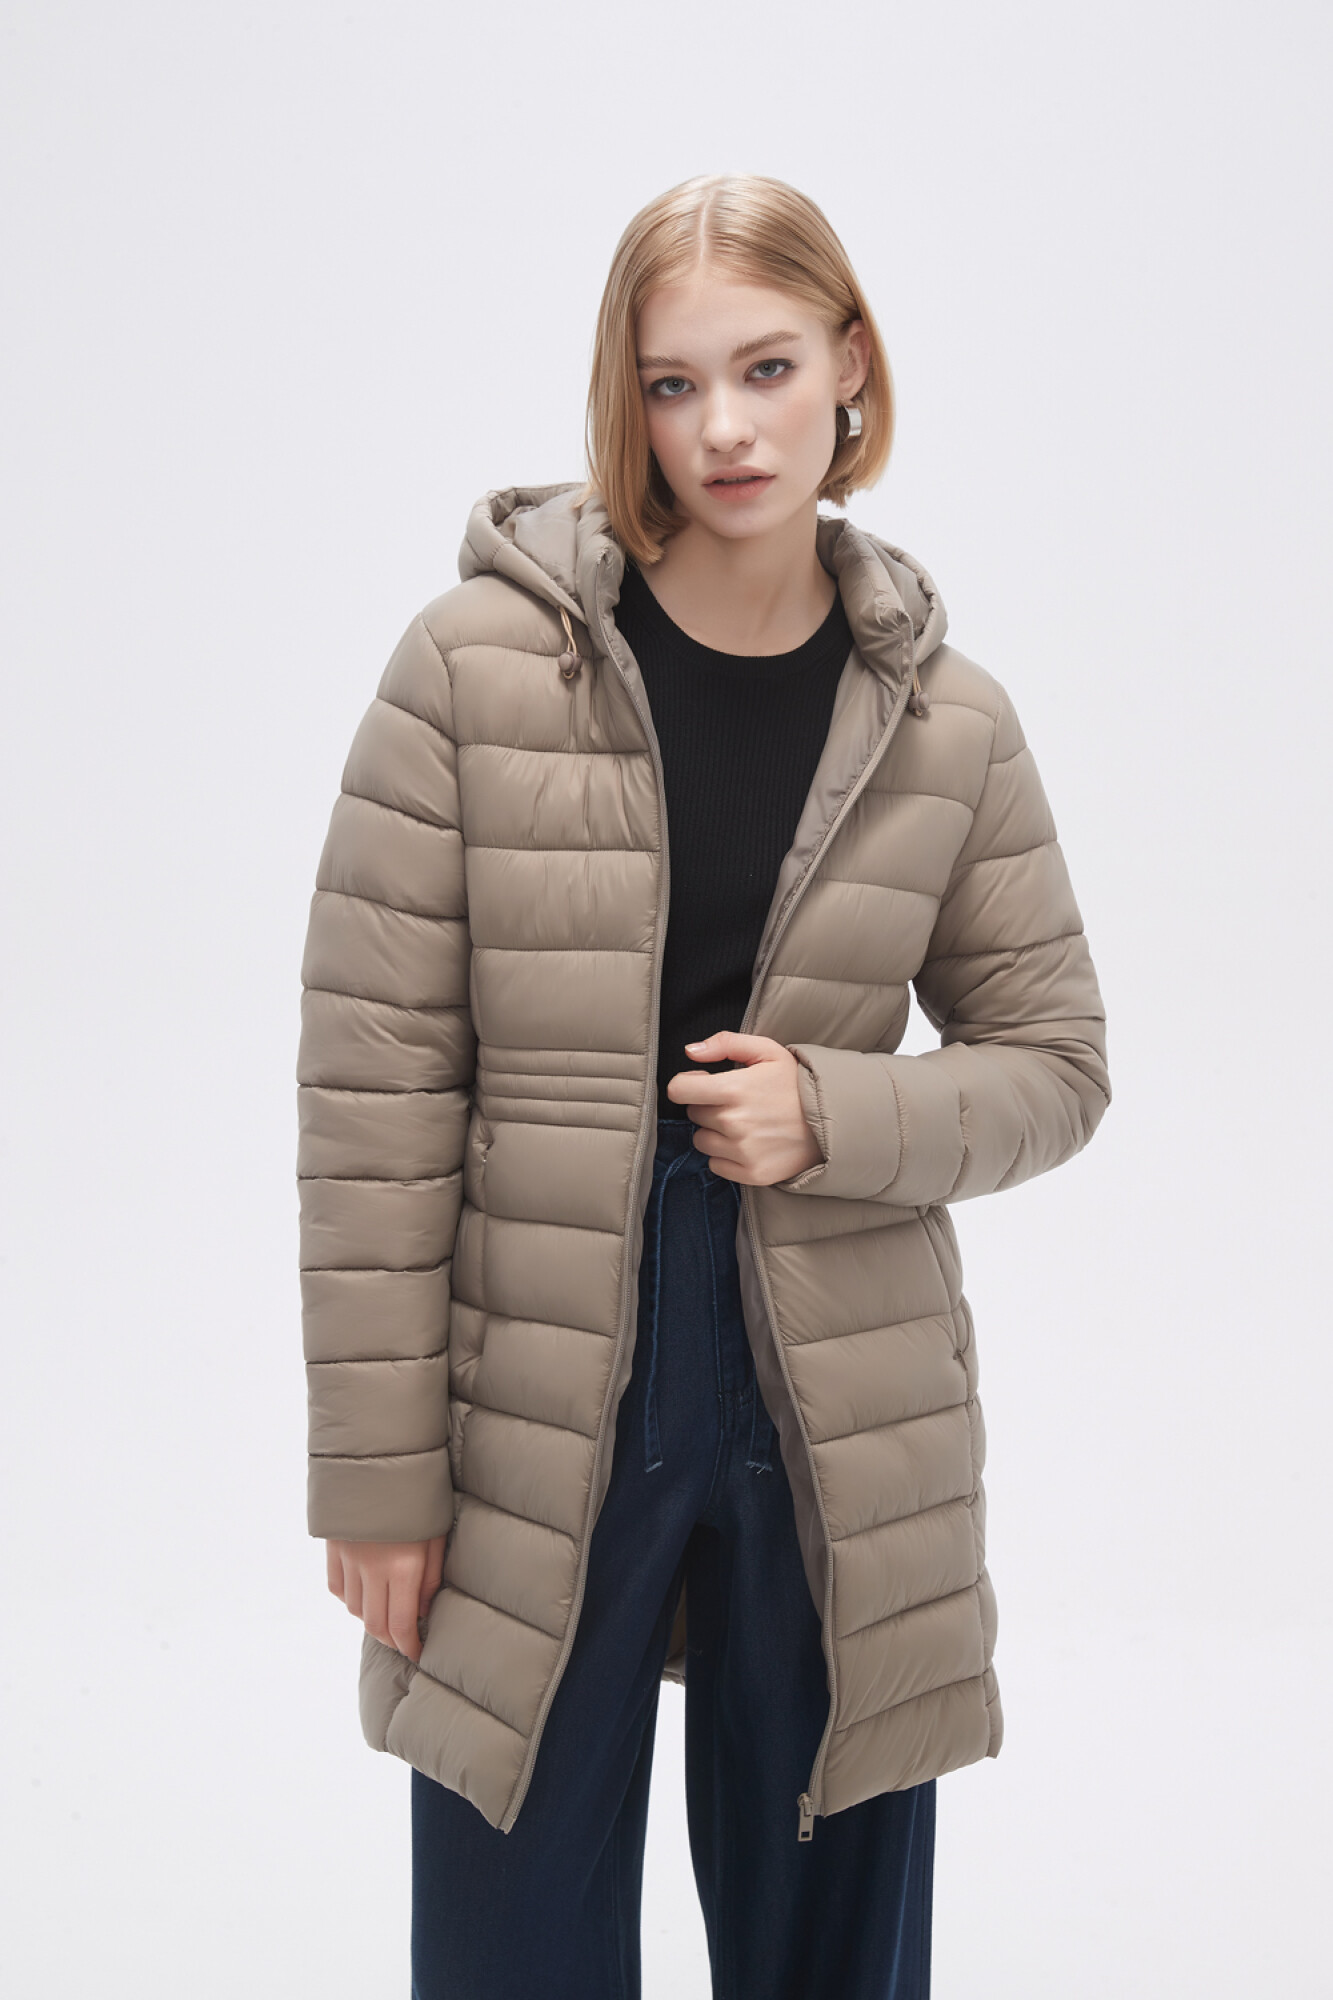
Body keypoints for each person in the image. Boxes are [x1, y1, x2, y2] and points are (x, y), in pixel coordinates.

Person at [296, 173, 1112, 1999]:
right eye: (671, 384)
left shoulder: (947, 718)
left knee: (832, 1934)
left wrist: (836, 1111)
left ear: (850, 365)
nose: (723, 428)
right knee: (510, 1925)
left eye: (765, 367)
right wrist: (373, 1472)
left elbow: (1057, 1062)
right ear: (627, 397)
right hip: (535, 1371)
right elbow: (371, 1094)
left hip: (839, 1378)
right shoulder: (474, 669)